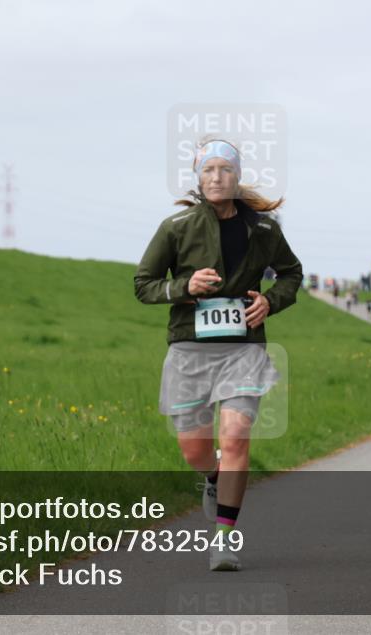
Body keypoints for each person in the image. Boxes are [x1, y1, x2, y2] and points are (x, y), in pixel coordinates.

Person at [135, 139, 302, 571]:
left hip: (243, 348)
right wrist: (182, 287)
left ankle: (224, 540)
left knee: (235, 437)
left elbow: (291, 273)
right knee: (195, 450)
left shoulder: (264, 230)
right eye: (207, 170)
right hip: (190, 350)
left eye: (224, 170)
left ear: (236, 176)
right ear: (198, 177)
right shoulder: (177, 227)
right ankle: (212, 477)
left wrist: (271, 301)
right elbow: (143, 284)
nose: (215, 177)